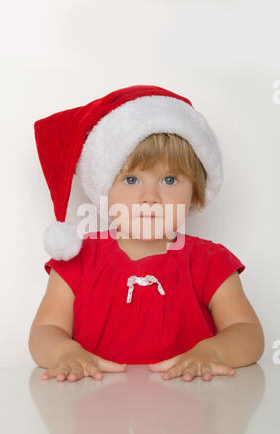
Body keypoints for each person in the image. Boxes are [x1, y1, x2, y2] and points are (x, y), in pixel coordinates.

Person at [28, 84, 264, 383]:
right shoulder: (77, 260)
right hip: (96, 411)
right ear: (104, 190)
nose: (149, 196)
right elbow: (44, 331)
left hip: (190, 411)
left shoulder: (209, 261)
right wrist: (64, 352)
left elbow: (247, 331)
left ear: (195, 194)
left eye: (169, 179)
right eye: (130, 179)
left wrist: (214, 352)